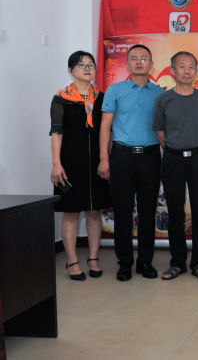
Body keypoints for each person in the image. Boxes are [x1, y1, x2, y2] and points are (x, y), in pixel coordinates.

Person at [98, 44, 163, 281]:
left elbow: (163, 130)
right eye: (134, 58)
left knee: (148, 212)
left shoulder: (160, 94)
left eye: (144, 58)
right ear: (127, 63)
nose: (139, 62)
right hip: (122, 156)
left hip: (150, 156)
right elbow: (105, 126)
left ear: (151, 63)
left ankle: (145, 262)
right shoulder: (114, 91)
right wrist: (104, 158)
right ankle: (124, 263)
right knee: (123, 212)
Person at [153, 51, 198, 282]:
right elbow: (160, 131)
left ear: (196, 71)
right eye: (182, 66)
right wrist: (175, 148)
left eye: (191, 67)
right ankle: (177, 262)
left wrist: (197, 147)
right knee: (175, 213)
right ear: (172, 71)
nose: (187, 71)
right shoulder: (163, 100)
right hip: (173, 160)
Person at [50, 51, 110, 280]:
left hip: (97, 162)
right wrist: (56, 164)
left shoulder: (102, 98)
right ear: (71, 70)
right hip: (70, 162)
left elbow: (108, 131)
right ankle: (72, 260)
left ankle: (93, 257)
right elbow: (56, 132)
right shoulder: (61, 98)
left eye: (91, 65)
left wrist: (107, 159)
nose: (87, 68)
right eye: (81, 65)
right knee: (71, 212)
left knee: (94, 211)